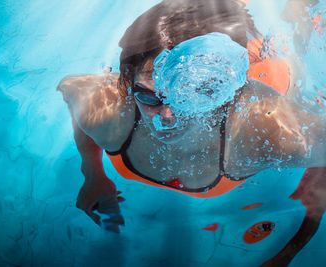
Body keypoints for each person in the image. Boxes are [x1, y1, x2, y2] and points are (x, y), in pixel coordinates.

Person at [58, 0, 326, 236]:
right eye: (149, 97)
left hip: (266, 72)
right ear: (128, 84)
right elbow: (70, 90)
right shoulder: (108, 108)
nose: (167, 115)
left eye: (189, 96)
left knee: (286, 40)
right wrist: (92, 173)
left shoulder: (260, 130)